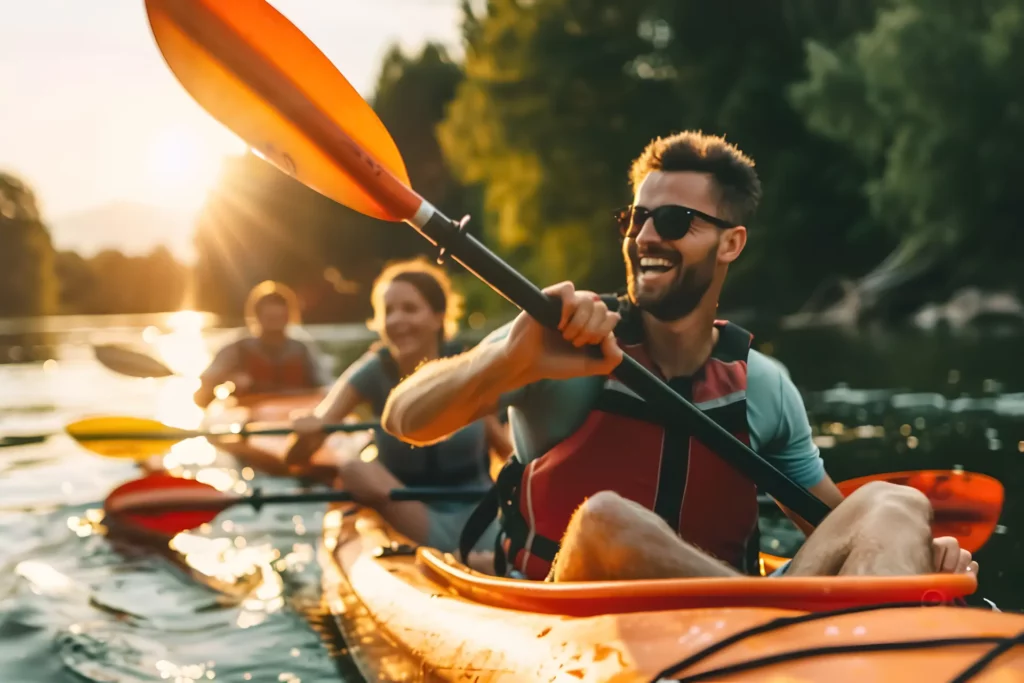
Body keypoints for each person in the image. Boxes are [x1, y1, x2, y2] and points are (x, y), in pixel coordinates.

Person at [379, 130, 979, 582]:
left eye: (672, 220)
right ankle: (763, 614)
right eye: (636, 218)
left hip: (732, 631)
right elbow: (404, 419)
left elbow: (835, 529)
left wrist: (919, 553)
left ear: (731, 243)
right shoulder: (557, 345)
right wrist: (508, 361)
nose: (644, 236)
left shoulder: (763, 386)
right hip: (561, 619)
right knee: (608, 521)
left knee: (894, 503)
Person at [283, 257, 508, 565]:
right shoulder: (372, 372)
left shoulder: (469, 367)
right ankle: (455, 558)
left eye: (410, 309)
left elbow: (506, 449)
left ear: (438, 317)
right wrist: (307, 434)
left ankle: (470, 558)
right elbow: (296, 458)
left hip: (479, 510)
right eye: (388, 311)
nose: (397, 320)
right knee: (353, 469)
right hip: (407, 511)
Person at [193, 281, 330, 408]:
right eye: (270, 318)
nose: (275, 325)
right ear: (257, 317)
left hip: (295, 411)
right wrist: (228, 379)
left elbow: (324, 388)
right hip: (250, 415)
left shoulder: (302, 350)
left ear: (288, 317)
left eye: (279, 318)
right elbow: (201, 396)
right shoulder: (237, 350)